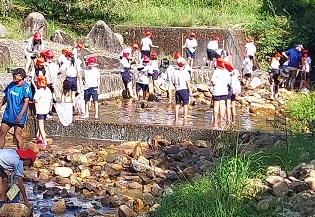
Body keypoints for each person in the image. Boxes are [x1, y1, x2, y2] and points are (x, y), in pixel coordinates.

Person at [0, 68, 32, 149]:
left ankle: (21, 155)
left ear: (21, 77)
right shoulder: (11, 85)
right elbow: (5, 98)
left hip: (19, 116)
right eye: (13, 74)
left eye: (15, 75)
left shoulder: (26, 87)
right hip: (8, 114)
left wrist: (20, 115)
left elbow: (26, 102)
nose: (13, 76)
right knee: (2, 133)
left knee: (17, 136)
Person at [33, 76, 52, 149]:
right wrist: (50, 109)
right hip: (46, 110)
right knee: (42, 123)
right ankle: (39, 136)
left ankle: (44, 140)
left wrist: (35, 110)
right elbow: (51, 100)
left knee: (41, 125)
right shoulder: (48, 90)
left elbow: (35, 101)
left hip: (40, 110)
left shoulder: (38, 91)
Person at [211, 58, 231, 128]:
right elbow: (229, 82)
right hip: (224, 91)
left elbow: (213, 82)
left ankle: (215, 121)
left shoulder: (216, 71)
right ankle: (221, 121)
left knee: (216, 106)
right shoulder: (226, 71)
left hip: (217, 91)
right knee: (222, 105)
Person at [172, 61, 192, 125]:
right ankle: (185, 118)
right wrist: (190, 91)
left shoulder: (175, 72)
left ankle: (176, 117)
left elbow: (173, 82)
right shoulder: (185, 72)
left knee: (177, 104)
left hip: (177, 90)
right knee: (185, 104)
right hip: (184, 89)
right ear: (184, 66)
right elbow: (188, 82)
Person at [43, 50, 59, 116]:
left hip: (51, 83)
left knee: (51, 97)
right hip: (44, 83)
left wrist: (54, 83)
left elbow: (55, 75)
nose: (50, 59)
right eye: (48, 57)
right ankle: (45, 110)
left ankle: (50, 110)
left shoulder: (54, 65)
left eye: (51, 57)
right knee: (45, 97)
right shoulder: (44, 64)